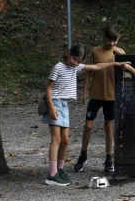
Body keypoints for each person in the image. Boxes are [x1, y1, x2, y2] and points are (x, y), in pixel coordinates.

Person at [43, 45, 126, 186]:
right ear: (69, 54)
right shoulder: (58, 67)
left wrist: (115, 64)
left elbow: (96, 67)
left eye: (79, 61)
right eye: (74, 59)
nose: (76, 63)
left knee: (65, 140)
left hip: (64, 105)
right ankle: (51, 174)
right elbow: (49, 88)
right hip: (55, 103)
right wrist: (51, 108)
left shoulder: (75, 67)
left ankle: (60, 169)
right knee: (56, 139)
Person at [75, 28, 126, 174]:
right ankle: (83, 155)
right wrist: (84, 91)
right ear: (105, 38)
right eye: (109, 40)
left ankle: (109, 159)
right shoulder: (96, 51)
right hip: (96, 94)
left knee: (108, 126)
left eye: (114, 40)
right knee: (88, 125)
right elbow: (89, 71)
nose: (111, 43)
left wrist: (121, 58)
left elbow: (125, 72)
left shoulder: (120, 53)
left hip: (111, 95)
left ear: (118, 40)